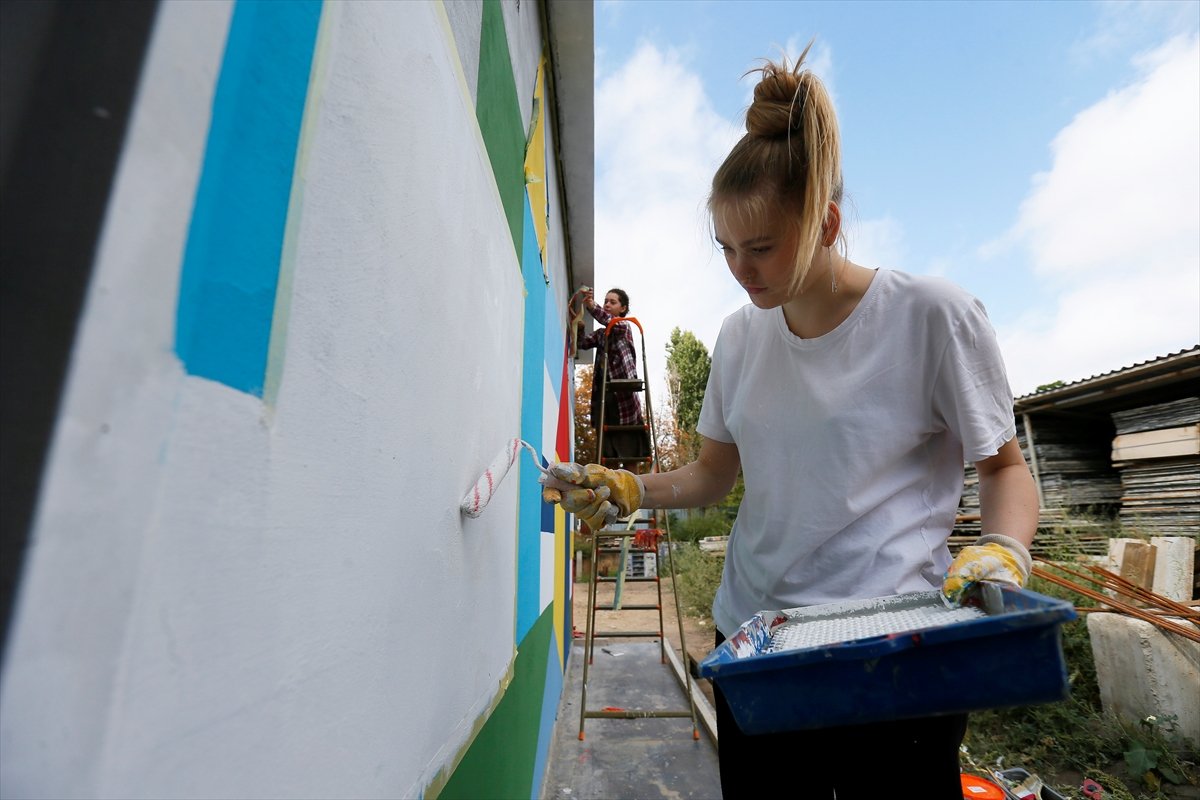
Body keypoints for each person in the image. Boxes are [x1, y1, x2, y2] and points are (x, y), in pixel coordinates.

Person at [541, 44, 1037, 800]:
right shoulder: (741, 337)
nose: (743, 269)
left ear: (827, 222)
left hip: (892, 649)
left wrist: (1002, 551)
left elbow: (1005, 468)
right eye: (727, 249)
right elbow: (713, 475)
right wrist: (629, 487)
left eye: (762, 247)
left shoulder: (932, 317)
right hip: (756, 645)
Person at [575, 288, 650, 469]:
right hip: (607, 399)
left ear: (622, 308)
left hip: (625, 398)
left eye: (612, 302)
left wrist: (593, 306)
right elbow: (582, 343)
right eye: (605, 301)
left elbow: (609, 321)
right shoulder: (603, 334)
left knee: (630, 454)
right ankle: (613, 493)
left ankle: (632, 492)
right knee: (610, 455)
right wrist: (579, 325)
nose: (607, 304)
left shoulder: (624, 325)